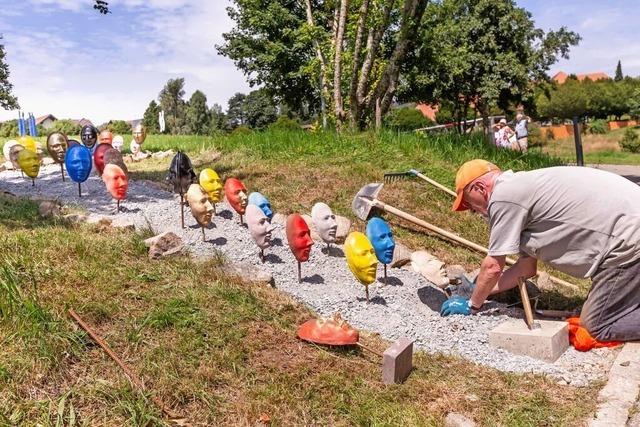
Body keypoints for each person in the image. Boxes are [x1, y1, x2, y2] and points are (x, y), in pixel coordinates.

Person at [441, 159, 640, 342]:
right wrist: (479, 293)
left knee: (597, 325)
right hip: (631, 231)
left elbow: (493, 266)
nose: (473, 211)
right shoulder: (523, 191)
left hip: (629, 241)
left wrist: (472, 305)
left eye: (470, 204)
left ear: (479, 188)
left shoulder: (503, 197)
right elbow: (525, 270)